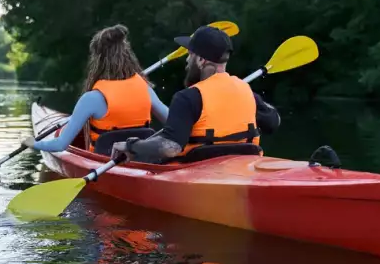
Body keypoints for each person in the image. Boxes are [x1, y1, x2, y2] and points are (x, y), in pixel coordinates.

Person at [111, 25, 280, 164]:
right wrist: (251, 99)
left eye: (189, 55)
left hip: (196, 176)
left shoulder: (187, 97)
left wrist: (132, 145)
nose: (186, 61)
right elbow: (273, 122)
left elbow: (170, 147)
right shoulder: (246, 91)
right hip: (242, 170)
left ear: (201, 60)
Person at [20, 24, 168, 153]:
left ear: (97, 60)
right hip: (144, 160)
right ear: (128, 55)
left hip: (104, 162)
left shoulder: (91, 99)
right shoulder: (145, 89)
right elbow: (174, 121)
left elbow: (60, 145)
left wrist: (34, 143)